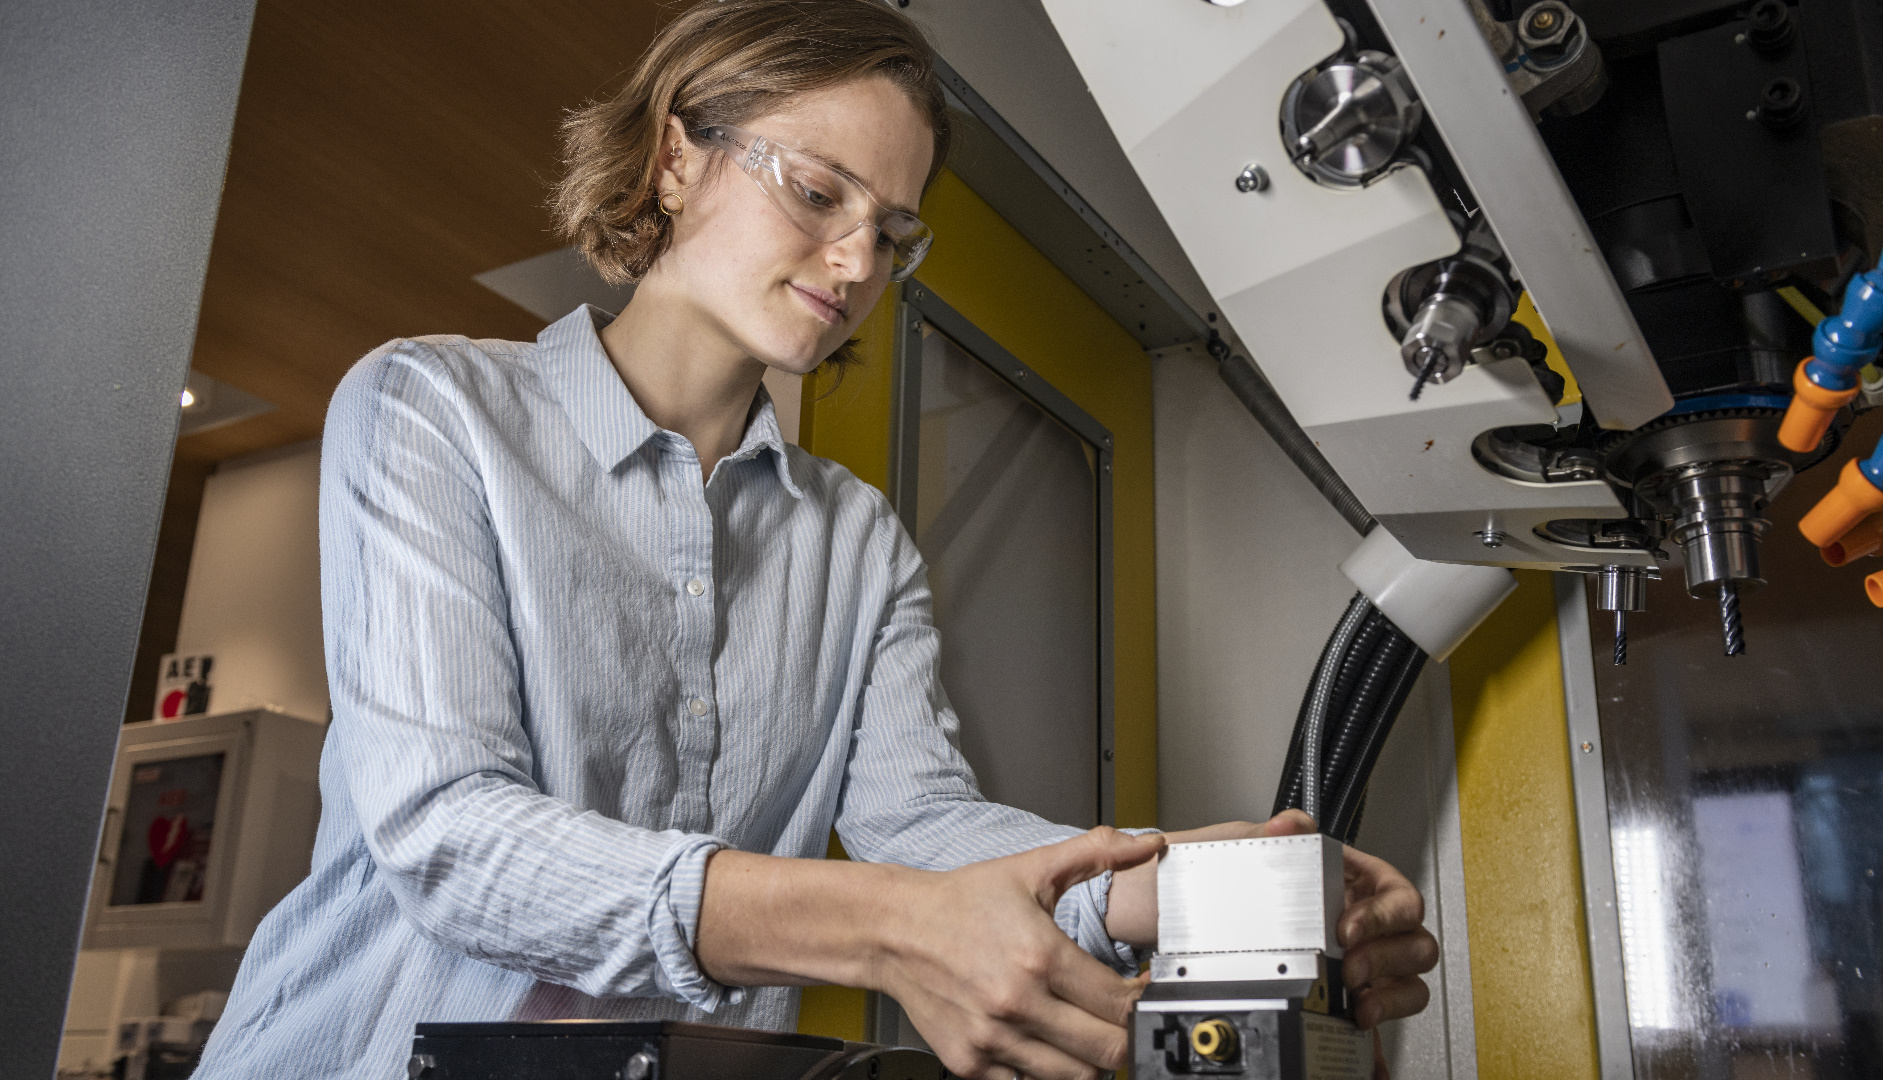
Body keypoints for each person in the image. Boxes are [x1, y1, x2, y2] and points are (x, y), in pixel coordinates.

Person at [192, 3, 1438, 1077]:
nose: (854, 260)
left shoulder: (855, 539)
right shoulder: (431, 407)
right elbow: (449, 833)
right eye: (817, 191)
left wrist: (1193, 878)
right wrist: (889, 927)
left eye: (892, 231)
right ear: (678, 156)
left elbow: (922, 828)